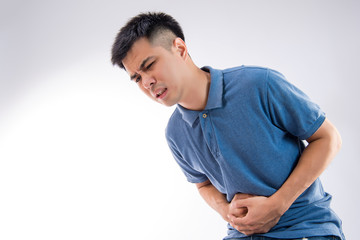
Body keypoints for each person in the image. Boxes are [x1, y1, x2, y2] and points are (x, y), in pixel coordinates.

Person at [111, 12, 345, 240]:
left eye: (150, 65)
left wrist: (278, 204)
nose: (147, 82)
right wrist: (226, 212)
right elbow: (202, 183)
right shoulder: (174, 133)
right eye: (137, 78)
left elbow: (328, 138)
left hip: (304, 228)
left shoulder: (259, 84)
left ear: (180, 49)